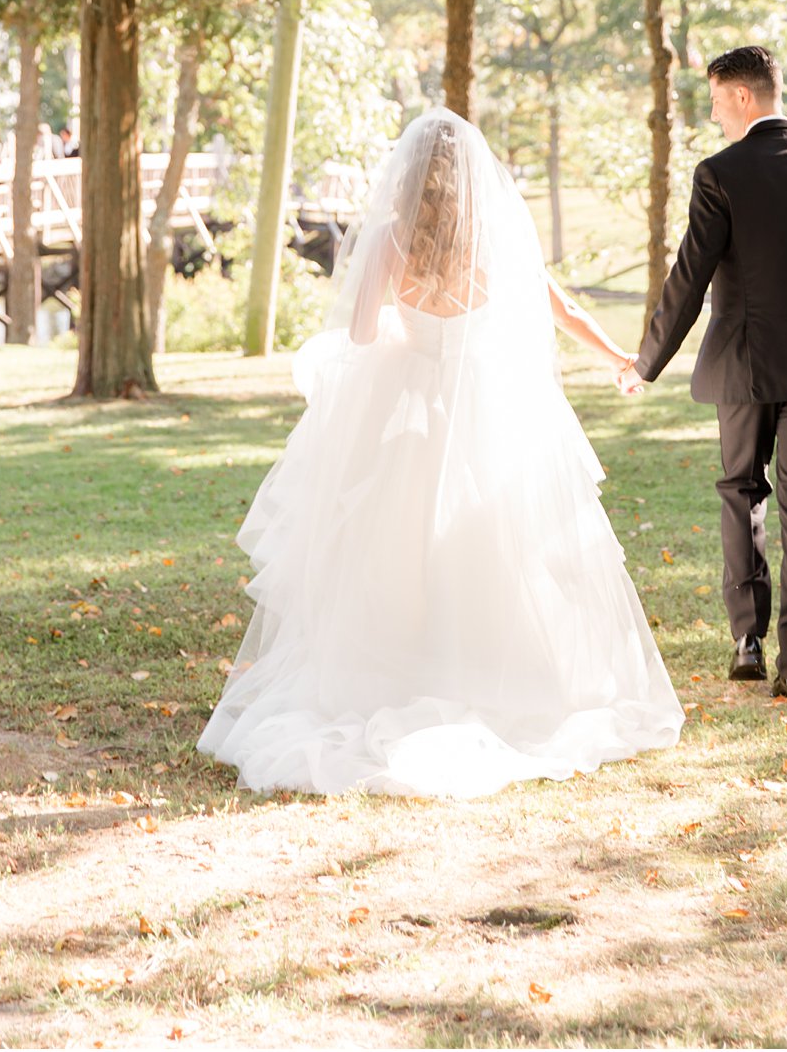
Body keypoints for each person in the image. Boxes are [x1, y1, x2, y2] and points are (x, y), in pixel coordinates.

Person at [198, 108, 682, 798]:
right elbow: (562, 311)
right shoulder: (495, 234)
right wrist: (619, 356)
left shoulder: (394, 241)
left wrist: (409, 326)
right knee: (505, 546)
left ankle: (404, 665)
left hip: (410, 411)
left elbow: (362, 333)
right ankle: (503, 672)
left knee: (395, 546)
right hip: (490, 405)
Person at [622, 44, 787, 707]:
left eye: (714, 101)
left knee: (741, 491)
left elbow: (688, 281)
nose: (712, 115)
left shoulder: (720, 173)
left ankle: (746, 642)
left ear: (741, 96)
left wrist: (646, 363)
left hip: (744, 367)